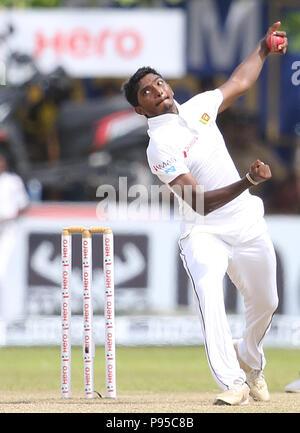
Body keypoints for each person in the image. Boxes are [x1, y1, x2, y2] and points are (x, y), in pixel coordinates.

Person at [122, 22, 288, 405]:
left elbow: (238, 83)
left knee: (267, 303)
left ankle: (250, 359)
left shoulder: (198, 107)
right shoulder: (159, 146)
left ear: (169, 86)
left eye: (159, 83)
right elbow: (199, 202)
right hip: (203, 232)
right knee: (210, 298)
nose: (156, 90)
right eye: (146, 91)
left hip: (246, 223)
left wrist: (262, 49)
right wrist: (247, 179)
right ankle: (233, 382)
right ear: (139, 108)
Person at [0, 151, 30, 322]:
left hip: (8, 231)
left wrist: (8, 218)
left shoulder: (13, 181)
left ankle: (5, 317)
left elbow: (23, 206)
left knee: (2, 273)